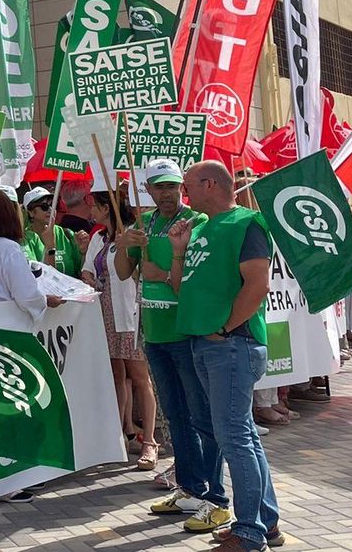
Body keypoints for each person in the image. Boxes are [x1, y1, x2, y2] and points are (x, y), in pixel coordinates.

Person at [168, 161, 281, 551]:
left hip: (232, 345)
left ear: (210, 184)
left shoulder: (245, 224)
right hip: (207, 341)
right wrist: (179, 252)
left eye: (187, 186)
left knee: (234, 437)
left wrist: (227, 328)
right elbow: (183, 288)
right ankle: (264, 524)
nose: (184, 194)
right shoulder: (199, 228)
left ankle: (249, 533)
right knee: (242, 435)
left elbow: (257, 284)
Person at [116, 160, 227, 527]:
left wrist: (161, 274)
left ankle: (215, 496)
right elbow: (121, 272)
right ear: (147, 190)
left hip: (188, 333)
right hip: (155, 334)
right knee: (175, 417)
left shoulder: (197, 222)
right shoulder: (142, 225)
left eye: (171, 186)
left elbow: (203, 277)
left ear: (183, 186)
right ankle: (190, 488)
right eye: (158, 187)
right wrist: (122, 245)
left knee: (202, 416)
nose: (165, 194)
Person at [83, 191, 157, 470]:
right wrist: (89, 278)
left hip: (130, 312)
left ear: (106, 208)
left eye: (95, 206)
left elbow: (139, 271)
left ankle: (149, 441)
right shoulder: (98, 238)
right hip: (105, 313)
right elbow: (88, 268)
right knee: (116, 374)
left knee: (139, 376)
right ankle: (119, 434)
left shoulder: (132, 235)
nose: (91, 211)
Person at [0, 190, 63, 320]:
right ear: (8, 215)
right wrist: (45, 301)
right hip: (6, 321)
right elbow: (27, 295)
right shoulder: (8, 248)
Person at [21, 187, 87, 276]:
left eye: (54, 205)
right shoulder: (25, 240)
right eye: (44, 207)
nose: (50, 209)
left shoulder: (68, 234)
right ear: (31, 212)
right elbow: (38, 276)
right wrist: (50, 248)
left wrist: (83, 252)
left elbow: (81, 271)